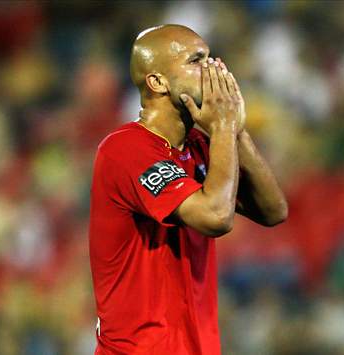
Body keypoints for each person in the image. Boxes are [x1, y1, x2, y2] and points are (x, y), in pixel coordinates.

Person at [88, 24, 288, 354]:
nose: (212, 69)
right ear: (157, 81)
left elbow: (273, 210)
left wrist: (236, 130)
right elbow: (215, 217)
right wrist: (223, 128)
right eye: (196, 60)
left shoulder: (201, 144)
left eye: (211, 58)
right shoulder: (124, 148)